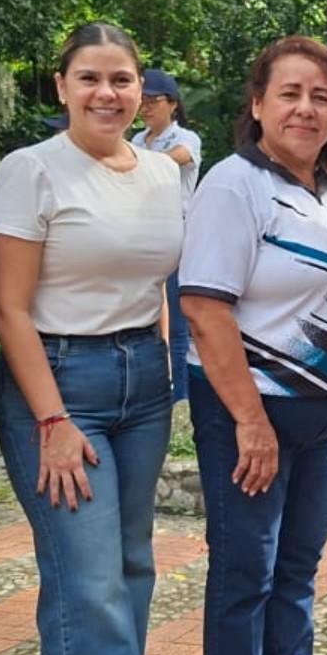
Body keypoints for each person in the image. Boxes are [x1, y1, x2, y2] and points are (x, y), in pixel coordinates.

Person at [0, 22, 184, 655]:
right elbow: (9, 308)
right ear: (62, 86)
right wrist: (50, 421)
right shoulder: (32, 169)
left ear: (141, 88)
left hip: (144, 386)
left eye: (121, 79)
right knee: (88, 579)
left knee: (132, 567)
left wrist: (159, 356)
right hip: (60, 384)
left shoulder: (164, 171)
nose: (107, 93)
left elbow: (156, 278)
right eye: (90, 78)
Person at [179, 35, 327, 655]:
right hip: (249, 415)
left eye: (321, 97)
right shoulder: (235, 184)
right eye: (289, 94)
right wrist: (251, 423)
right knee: (244, 574)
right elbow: (203, 308)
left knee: (298, 571)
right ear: (257, 105)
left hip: (322, 415)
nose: (305, 109)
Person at [136, 68, 203, 404]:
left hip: (177, 236)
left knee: (177, 321)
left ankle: (181, 395)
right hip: (140, 235)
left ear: (172, 104)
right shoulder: (135, 140)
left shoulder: (185, 139)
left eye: (153, 101)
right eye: (142, 101)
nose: (145, 108)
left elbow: (174, 160)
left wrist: (132, 164)